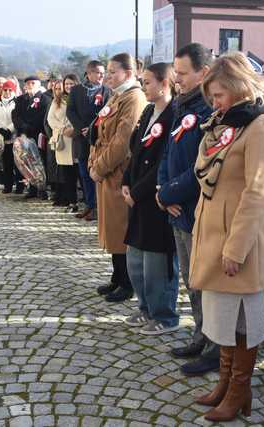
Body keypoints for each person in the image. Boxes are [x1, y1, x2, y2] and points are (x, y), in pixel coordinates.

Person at [188, 52, 264, 422]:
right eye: (211, 96)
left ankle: (240, 390)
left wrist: (236, 247)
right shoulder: (229, 123)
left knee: (244, 322)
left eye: (219, 95)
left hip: (240, 240)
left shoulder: (262, 126)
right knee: (223, 318)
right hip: (215, 232)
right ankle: (226, 385)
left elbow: (260, 191)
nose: (215, 103)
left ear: (240, 87)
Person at [157, 42, 218, 376]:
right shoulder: (183, 104)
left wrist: (169, 191)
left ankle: (213, 343)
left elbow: (202, 164)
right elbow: (170, 150)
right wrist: (162, 188)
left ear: (204, 73)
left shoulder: (210, 109)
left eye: (182, 73)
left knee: (204, 279)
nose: (177, 79)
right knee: (191, 279)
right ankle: (200, 333)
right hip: (176, 205)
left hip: (195, 206)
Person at [122, 62, 179, 335]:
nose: (143, 86)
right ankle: (145, 308)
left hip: (155, 199)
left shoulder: (174, 115)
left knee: (157, 264)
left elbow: (162, 162)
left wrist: (137, 191)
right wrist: (125, 182)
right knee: (136, 262)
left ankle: (164, 314)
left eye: (147, 82)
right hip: (136, 199)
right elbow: (135, 150)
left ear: (164, 83)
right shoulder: (147, 112)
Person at [88, 53, 147, 303]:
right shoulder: (117, 95)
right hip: (106, 171)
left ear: (129, 72)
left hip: (118, 172)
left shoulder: (134, 98)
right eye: (108, 72)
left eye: (113, 72)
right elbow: (99, 130)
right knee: (111, 229)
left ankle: (127, 281)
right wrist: (94, 162)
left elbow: (122, 142)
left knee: (121, 229)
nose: (108, 76)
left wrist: (99, 167)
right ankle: (116, 276)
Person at [67, 60, 110, 221]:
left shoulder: (107, 91)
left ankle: (99, 206)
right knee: (84, 173)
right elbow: (70, 111)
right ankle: (90, 204)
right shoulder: (77, 90)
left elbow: (106, 113)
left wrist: (92, 129)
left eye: (103, 73)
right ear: (89, 73)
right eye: (98, 72)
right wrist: (81, 128)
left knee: (97, 172)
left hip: (99, 138)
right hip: (81, 137)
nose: (101, 76)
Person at [12, 76, 51, 199]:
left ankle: (42, 188)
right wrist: (22, 128)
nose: (30, 85)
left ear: (39, 85)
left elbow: (42, 117)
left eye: (33, 83)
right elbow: (15, 116)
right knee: (25, 162)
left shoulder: (45, 100)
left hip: (37, 135)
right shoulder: (20, 100)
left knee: (39, 162)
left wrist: (29, 128)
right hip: (23, 135)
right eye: (28, 83)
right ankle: (31, 188)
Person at [48, 75, 80, 211]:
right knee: (67, 173)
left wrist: (75, 129)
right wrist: (62, 129)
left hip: (77, 139)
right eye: (66, 84)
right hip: (63, 140)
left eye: (71, 84)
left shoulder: (80, 98)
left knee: (79, 171)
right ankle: (71, 201)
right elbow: (51, 119)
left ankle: (84, 201)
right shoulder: (57, 100)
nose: (68, 86)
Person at [0, 79, 22, 194]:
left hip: (14, 136)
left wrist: (9, 129)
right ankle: (8, 185)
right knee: (6, 163)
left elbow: (18, 117)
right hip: (1, 138)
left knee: (18, 163)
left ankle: (19, 186)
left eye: (9, 90)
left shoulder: (18, 102)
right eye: (5, 90)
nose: (7, 92)